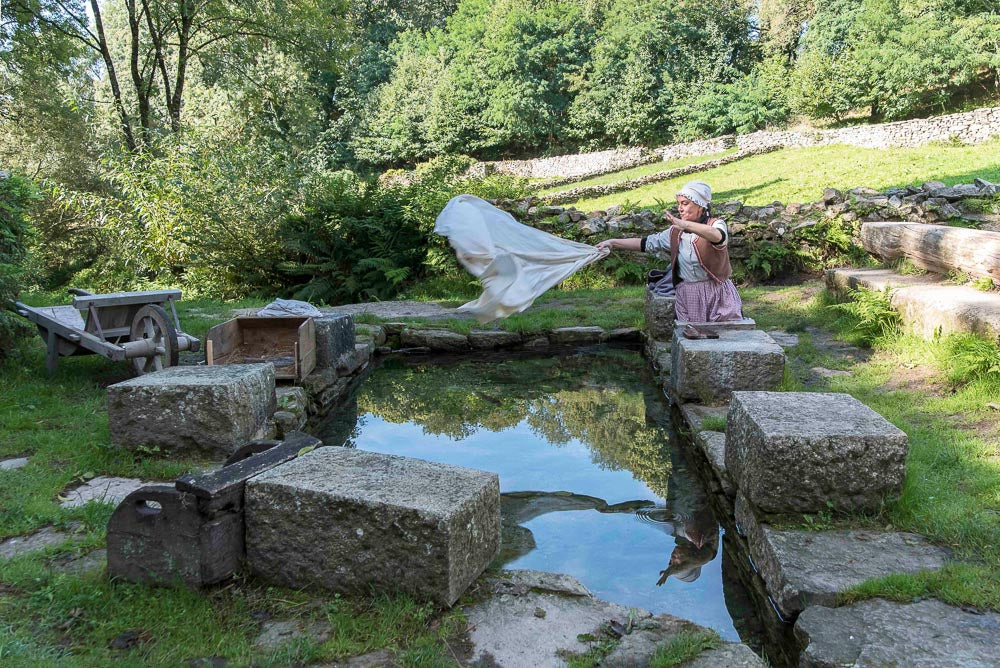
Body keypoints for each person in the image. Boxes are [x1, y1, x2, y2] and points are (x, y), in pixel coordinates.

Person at [596, 181, 742, 322]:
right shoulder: (675, 231)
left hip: (717, 293)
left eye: (685, 203)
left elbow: (717, 236)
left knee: (726, 336)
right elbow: (646, 243)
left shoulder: (716, 224)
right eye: (679, 204)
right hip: (689, 294)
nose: (680, 208)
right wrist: (613, 242)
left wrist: (685, 224)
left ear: (700, 206)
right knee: (691, 339)